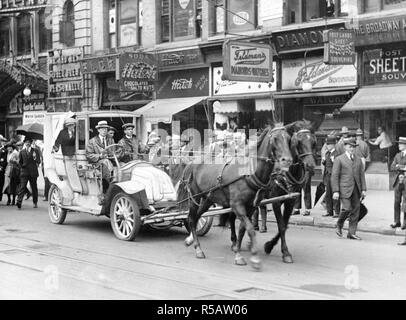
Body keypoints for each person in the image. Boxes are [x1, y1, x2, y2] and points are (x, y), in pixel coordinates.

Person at [332, 137, 367, 240]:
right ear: (345, 147)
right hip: (344, 189)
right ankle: (339, 224)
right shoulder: (339, 159)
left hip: (356, 189)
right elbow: (335, 176)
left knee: (355, 212)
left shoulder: (358, 159)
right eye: (350, 146)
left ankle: (351, 233)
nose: (352, 149)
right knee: (347, 208)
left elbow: (361, 175)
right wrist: (336, 191)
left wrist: (363, 189)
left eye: (353, 147)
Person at [86, 120, 115, 192]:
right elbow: (89, 155)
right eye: (102, 129)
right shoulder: (92, 141)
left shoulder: (111, 140)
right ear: (98, 130)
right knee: (106, 162)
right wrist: (99, 156)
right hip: (97, 164)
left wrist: (112, 155)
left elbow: (114, 151)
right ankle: (110, 186)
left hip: (110, 161)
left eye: (106, 129)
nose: (104, 130)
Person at [16, 137, 41, 209]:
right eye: (26, 142)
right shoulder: (22, 151)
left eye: (29, 142)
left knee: (34, 187)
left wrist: (36, 164)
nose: (27, 143)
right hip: (24, 172)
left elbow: (38, 161)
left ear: (31, 143)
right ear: (24, 143)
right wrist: (22, 167)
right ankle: (19, 201)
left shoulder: (35, 151)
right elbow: (20, 162)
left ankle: (35, 202)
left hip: (33, 172)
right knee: (22, 186)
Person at [389, 137, 406, 230]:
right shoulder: (397, 155)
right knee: (396, 202)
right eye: (399, 144)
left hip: (405, 182)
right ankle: (397, 221)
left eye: (401, 144)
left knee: (405, 203)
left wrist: (398, 166)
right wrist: (402, 167)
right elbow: (392, 167)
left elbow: (396, 166)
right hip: (397, 182)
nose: (399, 145)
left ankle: (405, 223)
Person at [322, 135, 340, 217]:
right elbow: (326, 165)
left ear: (333, 145)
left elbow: (338, 165)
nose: (328, 146)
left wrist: (333, 161)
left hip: (334, 176)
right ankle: (329, 211)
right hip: (327, 176)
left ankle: (336, 212)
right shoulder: (327, 153)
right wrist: (324, 161)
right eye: (327, 144)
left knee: (335, 194)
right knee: (328, 194)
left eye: (329, 144)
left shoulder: (336, 154)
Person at [0, 135, 7, 202]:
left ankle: (0, 196)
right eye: (1, 141)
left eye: (3, 142)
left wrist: (1, 167)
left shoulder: (5, 150)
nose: (2, 143)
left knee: (1, 183)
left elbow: (4, 160)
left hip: (1, 169)